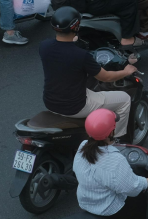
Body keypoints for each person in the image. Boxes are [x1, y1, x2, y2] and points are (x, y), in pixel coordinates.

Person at [40, 8, 137, 140]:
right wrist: (126, 71)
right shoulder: (81, 55)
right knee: (124, 99)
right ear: (76, 27)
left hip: (50, 102)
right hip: (76, 107)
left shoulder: (44, 46)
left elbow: (62, 57)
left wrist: (71, 42)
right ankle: (117, 142)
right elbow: (106, 77)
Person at [73, 108, 148, 219]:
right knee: (139, 200)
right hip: (108, 208)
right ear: (111, 131)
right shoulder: (115, 160)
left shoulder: (83, 146)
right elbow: (133, 188)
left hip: (85, 201)